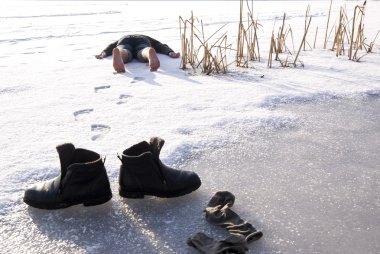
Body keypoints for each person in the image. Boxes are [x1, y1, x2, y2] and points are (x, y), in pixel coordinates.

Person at [95, 34, 180, 72]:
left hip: (124, 39)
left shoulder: (124, 36)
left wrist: (103, 53)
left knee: (124, 49)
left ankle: (120, 54)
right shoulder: (145, 36)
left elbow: (111, 46)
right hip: (142, 40)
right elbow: (159, 45)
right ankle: (148, 52)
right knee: (142, 50)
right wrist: (170, 52)